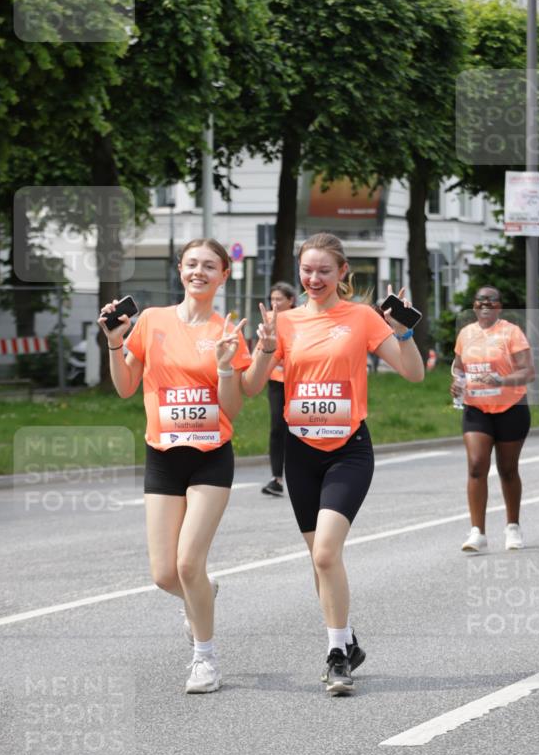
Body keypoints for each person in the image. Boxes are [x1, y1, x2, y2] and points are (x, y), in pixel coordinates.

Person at [247, 232, 425, 696]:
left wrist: (404, 333)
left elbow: (413, 372)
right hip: (300, 451)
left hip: (348, 449)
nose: (314, 278)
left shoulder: (362, 317)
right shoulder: (283, 324)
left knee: (326, 552)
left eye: (325, 270)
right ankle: (347, 638)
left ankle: (336, 655)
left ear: (343, 272)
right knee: (319, 560)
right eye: (307, 270)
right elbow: (249, 387)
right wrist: (265, 348)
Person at [98, 238, 271, 695]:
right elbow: (124, 387)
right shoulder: (152, 321)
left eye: (209, 266)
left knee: (190, 563)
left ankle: (205, 659)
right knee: (163, 575)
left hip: (210, 458)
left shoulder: (225, 330)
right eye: (192, 264)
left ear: (223, 275)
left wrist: (226, 367)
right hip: (162, 457)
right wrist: (115, 343)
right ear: (180, 270)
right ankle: (203, 598)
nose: (199, 271)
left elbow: (231, 408)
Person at [450, 285, 535, 553]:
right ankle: (477, 532)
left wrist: (501, 379)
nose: (485, 304)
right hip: (476, 407)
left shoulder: (511, 332)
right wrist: (456, 383)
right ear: (474, 305)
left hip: (510, 407)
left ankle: (513, 526)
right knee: (476, 465)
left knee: (507, 470)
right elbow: (458, 367)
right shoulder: (466, 334)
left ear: (499, 307)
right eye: (480, 300)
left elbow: (528, 372)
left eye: (492, 301)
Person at [261, 282, 297, 497]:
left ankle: (300, 474)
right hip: (276, 381)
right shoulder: (269, 322)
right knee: (277, 428)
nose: (274, 304)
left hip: (299, 382)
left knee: (298, 428)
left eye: (279, 300)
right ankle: (276, 478)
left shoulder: (301, 319)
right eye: (272, 300)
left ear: (290, 301)